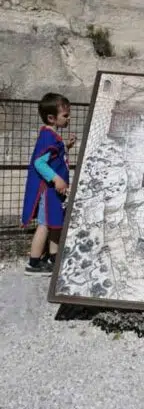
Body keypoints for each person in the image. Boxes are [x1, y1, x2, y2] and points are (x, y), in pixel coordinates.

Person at [21, 93, 76, 276]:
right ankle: (34, 264)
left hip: (56, 191)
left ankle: (53, 258)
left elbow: (53, 157)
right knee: (44, 224)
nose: (69, 119)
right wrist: (56, 179)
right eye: (65, 116)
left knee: (55, 223)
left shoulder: (53, 136)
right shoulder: (48, 136)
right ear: (51, 118)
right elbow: (40, 163)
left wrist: (66, 147)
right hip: (50, 190)